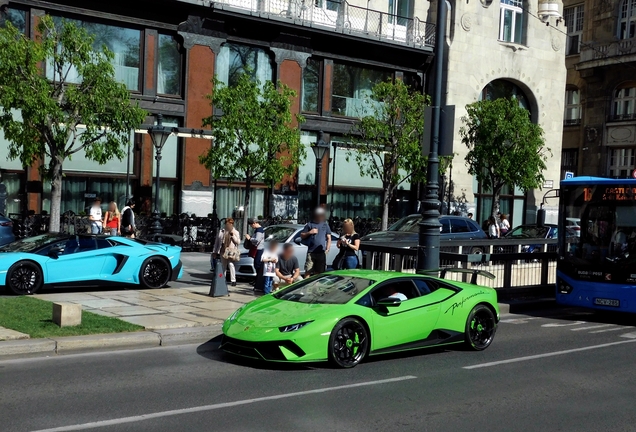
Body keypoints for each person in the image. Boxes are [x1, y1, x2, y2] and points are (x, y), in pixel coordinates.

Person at [300, 208, 332, 277]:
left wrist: (327, 249)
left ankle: (317, 286)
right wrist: (310, 232)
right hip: (311, 252)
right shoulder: (309, 224)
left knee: (319, 272)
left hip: (321, 252)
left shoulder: (325, 225)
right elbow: (302, 235)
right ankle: (306, 286)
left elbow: (329, 238)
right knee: (308, 270)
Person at [213, 218, 240, 287]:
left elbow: (238, 242)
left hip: (231, 251)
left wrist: (232, 235)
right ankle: (222, 279)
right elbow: (217, 242)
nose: (228, 226)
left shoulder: (235, 232)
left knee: (231, 264)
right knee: (223, 266)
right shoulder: (221, 231)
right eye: (227, 224)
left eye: (230, 224)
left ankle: (233, 280)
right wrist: (215, 252)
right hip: (223, 250)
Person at [244, 217, 265, 291]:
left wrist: (249, 238)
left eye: (251, 225)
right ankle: (257, 281)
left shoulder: (259, 230)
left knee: (257, 265)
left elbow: (257, 240)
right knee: (257, 265)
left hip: (258, 250)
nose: (251, 226)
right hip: (258, 249)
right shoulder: (259, 230)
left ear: (254, 223)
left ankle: (259, 281)